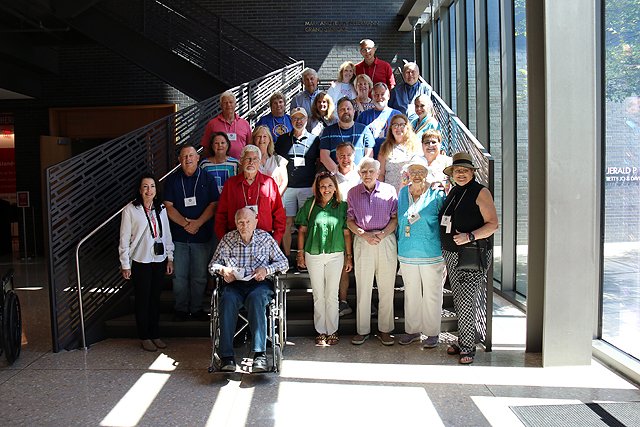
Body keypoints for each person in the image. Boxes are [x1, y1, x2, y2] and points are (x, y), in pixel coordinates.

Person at [209, 207, 289, 373]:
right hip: (234, 284)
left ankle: (259, 355)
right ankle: (226, 356)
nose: (244, 225)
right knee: (227, 299)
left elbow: (284, 263)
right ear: (236, 224)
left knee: (256, 298)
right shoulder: (227, 239)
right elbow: (212, 265)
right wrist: (223, 270)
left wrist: (266, 270)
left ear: (256, 222)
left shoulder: (265, 239)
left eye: (248, 222)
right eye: (240, 222)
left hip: (259, 284)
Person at [439, 152, 498, 364]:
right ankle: (464, 337)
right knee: (459, 299)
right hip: (453, 253)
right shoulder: (455, 191)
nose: (461, 174)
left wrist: (470, 236)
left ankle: (467, 346)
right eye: (457, 171)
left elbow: (493, 224)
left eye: (465, 170)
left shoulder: (480, 192)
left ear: (472, 172)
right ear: (452, 173)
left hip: (472, 253)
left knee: (466, 299)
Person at [296, 172, 353, 346]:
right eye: (322, 186)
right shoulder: (310, 204)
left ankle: (333, 331)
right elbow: (302, 231)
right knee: (319, 294)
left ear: (335, 187)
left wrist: (348, 257)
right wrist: (300, 253)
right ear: (318, 188)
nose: (326, 189)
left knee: (332, 295)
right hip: (313, 254)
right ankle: (321, 331)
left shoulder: (342, 206)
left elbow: (346, 234)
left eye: (329, 185)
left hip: (335, 255)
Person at [119, 174, 174, 352]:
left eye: (152, 186)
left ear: (156, 190)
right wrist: (125, 264)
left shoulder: (161, 208)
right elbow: (124, 238)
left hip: (158, 259)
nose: (149, 190)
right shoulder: (130, 210)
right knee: (143, 299)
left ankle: (155, 334)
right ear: (139, 190)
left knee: (155, 299)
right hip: (140, 260)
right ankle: (144, 336)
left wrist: (170, 257)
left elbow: (166, 234)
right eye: (145, 186)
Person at [346, 158, 398, 346]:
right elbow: (349, 220)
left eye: (371, 171)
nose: (367, 175)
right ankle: (362, 330)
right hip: (362, 241)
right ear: (359, 174)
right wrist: (364, 234)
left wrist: (382, 234)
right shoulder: (353, 192)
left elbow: (395, 218)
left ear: (378, 173)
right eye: (363, 171)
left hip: (385, 241)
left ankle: (385, 330)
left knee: (386, 287)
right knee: (363, 287)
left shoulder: (389, 190)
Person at [164, 145, 219, 321]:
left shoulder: (208, 178)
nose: (188, 159)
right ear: (179, 160)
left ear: (197, 158)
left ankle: (196, 309)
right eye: (184, 156)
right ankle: (180, 309)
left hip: (202, 237)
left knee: (199, 277)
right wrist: (186, 223)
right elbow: (168, 207)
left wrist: (198, 223)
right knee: (179, 276)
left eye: (191, 155)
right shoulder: (172, 180)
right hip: (178, 237)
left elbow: (213, 205)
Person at [396, 158, 446, 349]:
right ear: (408, 174)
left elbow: (445, 222)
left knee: (432, 293)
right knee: (411, 293)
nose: (416, 175)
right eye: (413, 171)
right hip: (407, 252)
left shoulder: (436, 194)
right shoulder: (402, 193)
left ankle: (432, 333)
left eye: (420, 171)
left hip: (431, 252)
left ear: (427, 173)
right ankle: (412, 330)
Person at [215, 145, 286, 244]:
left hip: (265, 239)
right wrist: (224, 239)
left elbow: (279, 214)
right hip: (235, 239)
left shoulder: (269, 183)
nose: (251, 162)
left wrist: (276, 240)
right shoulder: (230, 184)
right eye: (248, 158)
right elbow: (221, 214)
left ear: (260, 162)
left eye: (255, 159)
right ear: (241, 161)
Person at [275, 107, 320, 257]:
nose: (298, 121)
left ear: (306, 120)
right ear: (290, 120)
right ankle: (287, 256)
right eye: (295, 118)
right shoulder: (282, 140)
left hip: (307, 187)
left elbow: (319, 163)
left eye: (301, 118)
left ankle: (305, 256)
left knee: (305, 224)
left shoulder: (314, 140)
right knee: (286, 223)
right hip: (288, 188)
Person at [334, 142, 360, 317]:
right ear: (336, 157)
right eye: (341, 156)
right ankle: (343, 301)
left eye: (348, 155)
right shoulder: (330, 178)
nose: (345, 159)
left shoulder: (362, 175)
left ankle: (365, 302)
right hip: (340, 228)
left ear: (354, 155)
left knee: (362, 267)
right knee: (344, 265)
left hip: (361, 227)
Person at [319, 97, 375, 173]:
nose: (346, 111)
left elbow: (369, 155)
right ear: (337, 112)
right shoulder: (328, 131)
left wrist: (358, 172)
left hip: (359, 177)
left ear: (354, 111)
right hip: (336, 178)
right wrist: (338, 173)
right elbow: (324, 156)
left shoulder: (364, 130)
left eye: (348, 109)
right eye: (342, 109)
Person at [200, 91, 252, 159]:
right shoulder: (212, 124)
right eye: (225, 103)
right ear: (221, 105)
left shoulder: (245, 124)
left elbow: (250, 146)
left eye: (231, 102)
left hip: (240, 164)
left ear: (235, 104)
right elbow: (206, 148)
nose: (228, 105)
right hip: (219, 165)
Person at [356, 82, 402, 158]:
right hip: (370, 159)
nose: (379, 97)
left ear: (388, 96)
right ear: (372, 97)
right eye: (376, 95)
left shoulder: (397, 115)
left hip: (392, 158)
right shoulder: (364, 116)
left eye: (382, 94)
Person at [378, 114, 421, 193]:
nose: (398, 128)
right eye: (395, 125)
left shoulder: (415, 145)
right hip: (389, 192)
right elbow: (381, 174)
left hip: (410, 192)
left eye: (402, 125)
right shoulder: (385, 147)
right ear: (391, 128)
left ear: (407, 127)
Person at [251, 125, 288, 195]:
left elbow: (284, 182)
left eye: (265, 136)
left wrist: (276, 198)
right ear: (254, 139)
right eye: (258, 136)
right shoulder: (249, 160)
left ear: (269, 139)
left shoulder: (278, 160)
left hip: (275, 201)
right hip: (255, 201)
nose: (262, 139)